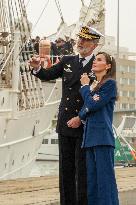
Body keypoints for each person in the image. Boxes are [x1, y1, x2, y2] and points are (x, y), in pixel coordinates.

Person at [29, 26, 103, 205]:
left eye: (85, 40)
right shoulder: (67, 60)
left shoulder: (98, 65)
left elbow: (96, 99)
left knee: (82, 171)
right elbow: (48, 74)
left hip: (84, 125)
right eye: (79, 39)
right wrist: (37, 68)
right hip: (65, 123)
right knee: (66, 170)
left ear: (94, 45)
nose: (80, 42)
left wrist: (81, 118)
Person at [78, 52, 119, 205]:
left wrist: (84, 87)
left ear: (108, 66)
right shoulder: (95, 87)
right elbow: (84, 110)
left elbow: (93, 105)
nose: (95, 61)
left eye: (99, 60)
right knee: (93, 183)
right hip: (90, 139)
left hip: (102, 138)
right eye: (95, 59)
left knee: (105, 182)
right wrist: (89, 100)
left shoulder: (109, 84)